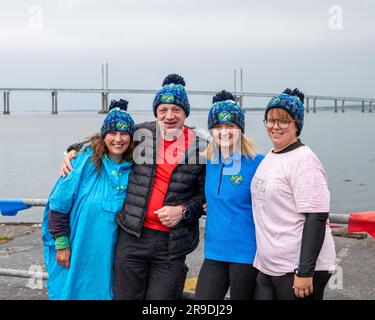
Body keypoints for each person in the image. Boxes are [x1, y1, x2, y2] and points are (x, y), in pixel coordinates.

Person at [60, 74, 206, 300]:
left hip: (172, 243)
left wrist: (183, 210)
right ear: (156, 111)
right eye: (163, 109)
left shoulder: (201, 147)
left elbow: (203, 197)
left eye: (176, 109)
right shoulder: (140, 134)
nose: (169, 116)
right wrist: (72, 151)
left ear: (185, 112)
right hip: (132, 236)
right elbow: (107, 138)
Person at [42, 99, 136, 299]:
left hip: (113, 254)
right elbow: (58, 205)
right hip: (80, 249)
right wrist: (61, 245)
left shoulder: (134, 168)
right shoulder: (83, 162)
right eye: (112, 133)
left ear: (131, 137)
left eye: (124, 134)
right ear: (104, 135)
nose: (118, 139)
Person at [251, 88, 336, 300]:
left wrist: (305, 271)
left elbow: (316, 216)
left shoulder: (305, 161)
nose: (275, 127)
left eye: (283, 121)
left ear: (296, 125)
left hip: (297, 269)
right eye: (270, 120)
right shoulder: (271, 156)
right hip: (269, 265)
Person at [194, 90, 264, 300]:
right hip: (214, 251)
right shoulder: (208, 161)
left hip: (246, 252)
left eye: (230, 126)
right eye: (218, 127)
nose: (224, 132)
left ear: (240, 129)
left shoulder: (258, 162)